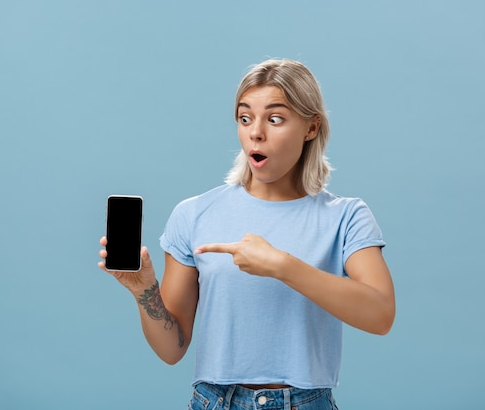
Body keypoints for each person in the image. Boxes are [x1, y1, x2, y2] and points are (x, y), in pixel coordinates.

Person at [98, 58, 395, 409]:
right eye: (244, 118)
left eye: (274, 118)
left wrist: (282, 266)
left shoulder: (346, 217)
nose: (255, 132)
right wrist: (144, 292)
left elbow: (380, 315)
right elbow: (172, 348)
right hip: (215, 401)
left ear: (311, 128)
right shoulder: (193, 214)